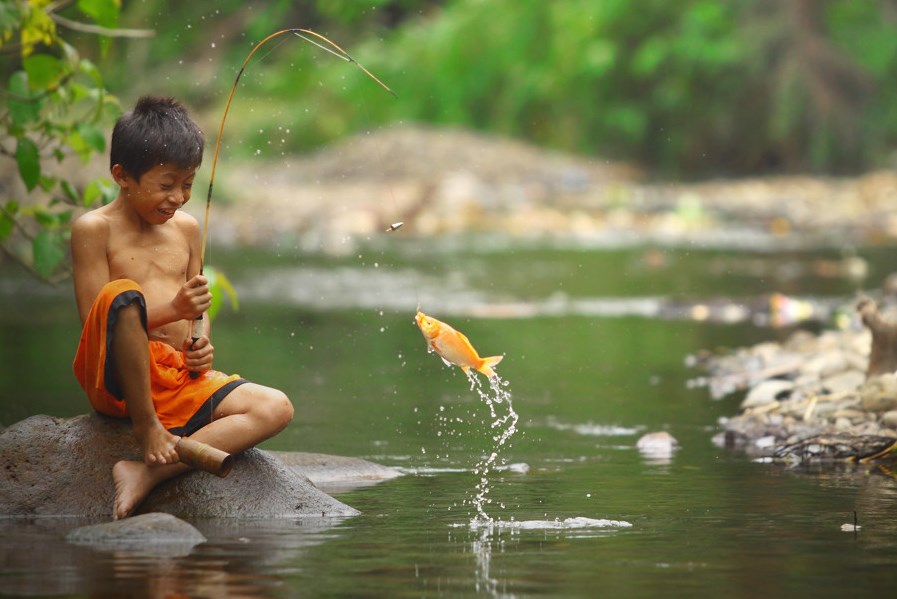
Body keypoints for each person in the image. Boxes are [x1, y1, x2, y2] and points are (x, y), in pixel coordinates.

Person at [71, 96, 294, 520]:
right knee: (122, 293)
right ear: (122, 176)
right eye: (167, 183)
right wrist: (173, 308)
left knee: (275, 406)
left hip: (177, 378)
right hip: (117, 380)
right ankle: (147, 429)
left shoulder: (188, 230)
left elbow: (196, 307)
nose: (179, 197)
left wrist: (201, 340)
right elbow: (96, 324)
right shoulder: (93, 229)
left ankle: (150, 474)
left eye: (188, 184)